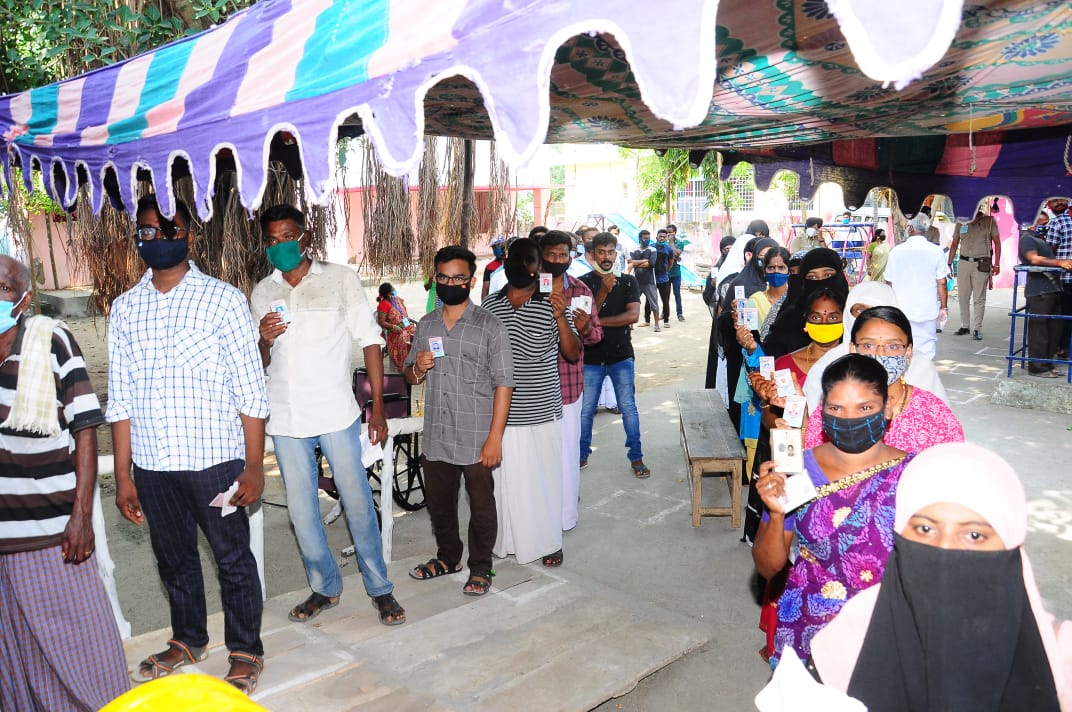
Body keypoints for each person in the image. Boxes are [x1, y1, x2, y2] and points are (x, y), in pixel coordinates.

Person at [109, 195, 268, 693]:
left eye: (167, 230)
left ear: (190, 237)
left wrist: (255, 466)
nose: (156, 239)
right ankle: (189, 639)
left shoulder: (223, 299)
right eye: (147, 232)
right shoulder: (124, 307)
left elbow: (250, 390)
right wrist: (124, 474)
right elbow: (120, 397)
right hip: (154, 466)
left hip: (215, 464)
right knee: (173, 558)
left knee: (232, 559)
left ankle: (245, 650)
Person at [811, 442, 1072, 710]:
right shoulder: (853, 630)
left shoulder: (1060, 654)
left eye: (974, 535)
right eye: (925, 528)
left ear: (1010, 542)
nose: (944, 549)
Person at [250, 204, 405, 628]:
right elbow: (258, 359)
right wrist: (262, 339)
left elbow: (371, 341)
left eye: (287, 237)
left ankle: (379, 587)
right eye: (271, 240)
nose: (280, 246)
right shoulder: (264, 291)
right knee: (301, 513)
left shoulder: (339, 279)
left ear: (305, 238)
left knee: (357, 502)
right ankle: (324, 586)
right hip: (285, 417)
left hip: (337, 412)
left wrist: (375, 409)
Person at [0, 256, 129, 709]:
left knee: (80, 648)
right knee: (16, 656)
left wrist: (81, 517)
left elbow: (85, 428)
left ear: (24, 299)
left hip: (49, 534)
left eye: (2, 287)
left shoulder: (49, 340)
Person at [752, 354, 911, 667]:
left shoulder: (914, 473)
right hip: (808, 629)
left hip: (886, 631)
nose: (849, 418)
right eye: (837, 408)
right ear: (822, 409)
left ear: (888, 408)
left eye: (865, 408)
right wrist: (777, 513)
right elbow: (768, 568)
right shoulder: (797, 470)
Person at [403, 246, 513, 596]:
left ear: (471, 280)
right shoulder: (426, 324)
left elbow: (504, 384)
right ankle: (448, 557)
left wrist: (495, 438)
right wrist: (417, 369)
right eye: (444, 278)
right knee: (440, 504)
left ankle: (481, 567)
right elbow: (409, 375)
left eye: (459, 278)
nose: (452, 284)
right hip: (437, 433)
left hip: (477, 434)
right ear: (436, 279)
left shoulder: (489, 326)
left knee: (481, 505)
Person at [483, 238, 581, 567]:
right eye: (518, 260)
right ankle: (508, 539)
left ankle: (548, 540)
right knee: (507, 484)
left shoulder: (550, 304)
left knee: (543, 480)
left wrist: (561, 317)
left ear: (538, 267)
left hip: (542, 410)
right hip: (503, 415)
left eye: (531, 261)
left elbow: (571, 353)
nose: (525, 267)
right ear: (506, 262)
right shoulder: (490, 307)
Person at [804, 305, 964, 450]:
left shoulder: (934, 415)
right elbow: (814, 463)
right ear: (852, 349)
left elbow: (951, 470)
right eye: (868, 346)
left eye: (893, 346)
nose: (880, 355)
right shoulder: (835, 408)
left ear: (908, 352)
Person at [803, 282, 949, 412]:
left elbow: (943, 427)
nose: (869, 318)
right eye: (860, 311)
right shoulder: (828, 365)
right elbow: (813, 424)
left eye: (878, 310)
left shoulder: (920, 366)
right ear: (848, 314)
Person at [541, 231, 603, 531]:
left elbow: (596, 336)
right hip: (530, 392)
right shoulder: (526, 289)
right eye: (551, 254)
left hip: (567, 387)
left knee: (566, 455)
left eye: (562, 255)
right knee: (537, 458)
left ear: (571, 256)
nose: (556, 260)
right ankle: (538, 516)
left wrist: (585, 327)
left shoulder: (580, 290)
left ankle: (564, 519)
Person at [579, 232, 648, 477]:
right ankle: (581, 455)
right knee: (586, 410)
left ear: (615, 254)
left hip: (621, 356)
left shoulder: (628, 282)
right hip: (590, 359)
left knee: (629, 407)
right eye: (601, 252)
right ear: (593, 254)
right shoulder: (583, 283)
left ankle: (636, 457)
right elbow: (581, 320)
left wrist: (597, 323)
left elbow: (633, 316)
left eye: (610, 252)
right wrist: (603, 294)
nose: (606, 257)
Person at [884, 214, 949, 360]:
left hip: (902, 308)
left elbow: (889, 282)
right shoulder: (936, 251)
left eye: (908, 226)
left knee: (902, 345)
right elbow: (942, 282)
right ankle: (924, 378)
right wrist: (944, 307)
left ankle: (905, 380)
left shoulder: (896, 251)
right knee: (927, 348)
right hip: (927, 308)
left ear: (911, 228)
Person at [1019, 220, 1072, 376]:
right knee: (1039, 329)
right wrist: (1059, 262)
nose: (1042, 220)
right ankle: (1037, 367)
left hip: (1052, 289)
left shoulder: (1037, 238)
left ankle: (1047, 364)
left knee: (1055, 328)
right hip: (1040, 290)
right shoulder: (1026, 238)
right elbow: (1033, 258)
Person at [948, 210, 1001, 340]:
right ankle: (965, 326)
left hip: (981, 263)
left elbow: (997, 243)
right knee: (963, 296)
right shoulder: (961, 221)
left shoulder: (989, 221)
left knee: (979, 298)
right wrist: (948, 263)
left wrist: (997, 264)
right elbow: (954, 243)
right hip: (964, 262)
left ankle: (977, 328)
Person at [1045, 198, 1072, 356]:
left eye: (1061, 200)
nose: (1059, 203)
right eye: (1055, 201)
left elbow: (1049, 250)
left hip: (1063, 278)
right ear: (1049, 205)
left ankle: (1061, 348)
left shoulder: (1057, 222)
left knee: (1061, 316)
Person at [375, 282, 416, 372]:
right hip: (394, 332)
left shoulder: (395, 301)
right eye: (392, 289)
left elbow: (404, 317)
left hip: (404, 326)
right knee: (405, 339)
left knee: (418, 333)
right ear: (389, 293)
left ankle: (415, 363)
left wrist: (411, 324)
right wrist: (393, 327)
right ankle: (405, 367)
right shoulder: (384, 304)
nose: (394, 290)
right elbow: (381, 322)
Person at [629, 229, 661, 331]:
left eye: (648, 238)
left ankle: (656, 324)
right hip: (636, 281)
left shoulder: (653, 250)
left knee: (654, 304)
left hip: (650, 281)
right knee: (633, 303)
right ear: (640, 239)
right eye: (645, 238)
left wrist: (637, 263)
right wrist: (644, 261)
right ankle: (630, 324)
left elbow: (651, 264)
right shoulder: (634, 249)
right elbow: (631, 263)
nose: (647, 240)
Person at [654, 228, 674, 328]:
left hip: (664, 279)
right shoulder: (652, 247)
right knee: (651, 300)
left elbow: (671, 261)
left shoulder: (669, 249)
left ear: (666, 238)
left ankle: (666, 320)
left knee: (665, 300)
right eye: (660, 236)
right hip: (652, 278)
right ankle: (647, 320)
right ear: (656, 237)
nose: (661, 238)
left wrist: (666, 270)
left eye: (663, 237)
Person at [667, 224, 688, 321]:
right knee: (665, 295)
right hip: (666, 274)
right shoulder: (664, 243)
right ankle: (665, 313)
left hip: (676, 273)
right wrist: (674, 257)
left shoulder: (680, 243)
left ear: (675, 233)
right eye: (667, 232)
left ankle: (679, 313)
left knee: (677, 294)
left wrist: (671, 243)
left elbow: (676, 254)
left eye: (671, 232)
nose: (669, 234)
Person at [480, 236, 506, 300]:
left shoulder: (512, 263)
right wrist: (484, 304)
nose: (496, 249)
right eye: (494, 248)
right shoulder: (489, 267)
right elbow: (485, 288)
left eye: (498, 246)